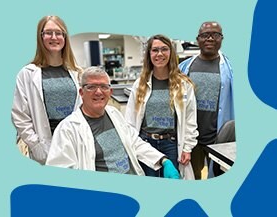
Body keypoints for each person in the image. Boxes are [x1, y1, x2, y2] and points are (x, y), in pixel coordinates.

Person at [46, 67, 180, 179]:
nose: (98, 92)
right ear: (81, 92)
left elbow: (135, 142)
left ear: (110, 92)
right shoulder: (68, 129)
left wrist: (164, 160)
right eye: (91, 87)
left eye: (103, 87)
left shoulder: (114, 114)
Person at [125, 34, 198, 179]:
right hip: (145, 143)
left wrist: (187, 148)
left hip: (171, 144)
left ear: (171, 53)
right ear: (149, 54)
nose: (159, 54)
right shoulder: (139, 84)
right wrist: (131, 146)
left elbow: (190, 118)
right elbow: (129, 121)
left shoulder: (184, 84)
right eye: (155, 50)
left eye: (164, 49)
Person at [11, 15, 82, 165]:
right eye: (48, 32)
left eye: (59, 33)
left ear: (65, 37)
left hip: (74, 140)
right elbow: (19, 115)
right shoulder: (27, 74)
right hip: (46, 142)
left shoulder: (76, 72)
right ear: (41, 37)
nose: (54, 37)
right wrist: (36, 145)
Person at [178, 21, 234, 179]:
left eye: (215, 35)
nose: (209, 38)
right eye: (205, 35)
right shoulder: (184, 67)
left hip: (218, 139)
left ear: (221, 39)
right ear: (197, 39)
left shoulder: (231, 69)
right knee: (191, 178)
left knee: (218, 176)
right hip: (191, 139)